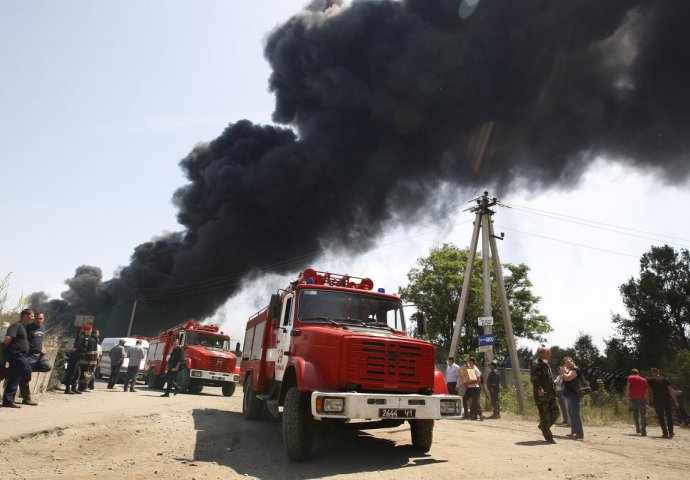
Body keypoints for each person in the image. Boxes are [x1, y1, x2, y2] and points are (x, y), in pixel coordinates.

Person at [2, 309, 34, 408]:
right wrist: (7, 349)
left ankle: (8, 401)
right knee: (26, 370)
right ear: (25, 316)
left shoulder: (24, 327)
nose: (32, 318)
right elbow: (8, 338)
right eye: (31, 316)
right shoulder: (16, 326)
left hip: (21, 355)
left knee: (15, 378)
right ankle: (2, 372)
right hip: (16, 354)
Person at [19, 311, 53, 405]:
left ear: (43, 318)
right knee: (26, 377)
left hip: (40, 354)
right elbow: (23, 340)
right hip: (30, 354)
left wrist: (42, 347)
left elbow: (41, 339)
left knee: (48, 366)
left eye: (41, 318)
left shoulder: (43, 327)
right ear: (34, 319)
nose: (39, 320)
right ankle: (26, 398)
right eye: (37, 318)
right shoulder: (28, 327)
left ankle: (25, 369)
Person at [530, 346, 558, 443]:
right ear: (541, 354)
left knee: (556, 412)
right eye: (548, 353)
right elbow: (534, 378)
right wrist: (539, 389)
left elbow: (547, 378)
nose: (550, 355)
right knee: (545, 415)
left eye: (550, 353)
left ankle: (543, 426)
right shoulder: (536, 363)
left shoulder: (547, 364)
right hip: (541, 394)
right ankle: (548, 437)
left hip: (550, 393)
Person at [647, 367, 678, 438]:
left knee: (661, 417)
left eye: (652, 373)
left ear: (653, 373)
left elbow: (645, 386)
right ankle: (671, 432)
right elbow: (671, 391)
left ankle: (665, 433)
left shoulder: (651, 380)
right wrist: (675, 401)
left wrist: (647, 397)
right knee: (669, 416)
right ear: (658, 372)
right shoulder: (665, 380)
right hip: (667, 401)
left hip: (658, 401)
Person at [562, 356, 585, 440]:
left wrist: (563, 372)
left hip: (574, 394)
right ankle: (573, 432)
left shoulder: (576, 370)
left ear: (573, 361)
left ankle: (580, 434)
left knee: (575, 414)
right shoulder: (569, 370)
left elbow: (568, 378)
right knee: (571, 414)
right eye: (565, 363)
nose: (567, 364)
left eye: (568, 362)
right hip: (569, 394)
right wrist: (565, 371)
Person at [63, 326, 87, 394]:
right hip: (75, 357)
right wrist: (72, 351)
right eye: (89, 330)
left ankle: (73, 388)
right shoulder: (80, 336)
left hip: (78, 357)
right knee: (72, 373)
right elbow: (76, 346)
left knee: (77, 373)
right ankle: (67, 389)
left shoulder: (83, 337)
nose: (90, 331)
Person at [626, 368, 649, 436]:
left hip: (634, 398)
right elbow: (646, 391)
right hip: (642, 399)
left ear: (631, 373)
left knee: (635, 414)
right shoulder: (644, 379)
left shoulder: (630, 377)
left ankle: (638, 429)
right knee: (643, 415)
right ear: (638, 373)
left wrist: (627, 396)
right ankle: (643, 431)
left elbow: (628, 387)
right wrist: (647, 399)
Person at [78, 324, 98, 392]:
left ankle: (81, 387)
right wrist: (91, 361)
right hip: (89, 361)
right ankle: (84, 387)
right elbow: (91, 352)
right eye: (90, 330)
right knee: (87, 374)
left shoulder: (89, 339)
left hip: (86, 360)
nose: (91, 331)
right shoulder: (92, 340)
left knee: (84, 374)